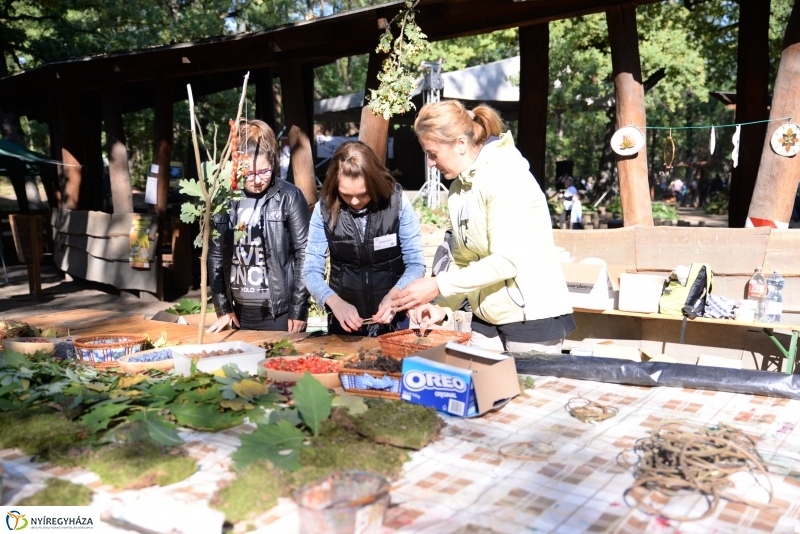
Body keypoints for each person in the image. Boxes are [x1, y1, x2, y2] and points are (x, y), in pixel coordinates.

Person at [392, 101, 575, 353]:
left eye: (433, 154)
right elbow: (462, 258)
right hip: (486, 318)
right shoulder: (459, 188)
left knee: (527, 392)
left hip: (531, 318)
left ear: (460, 144)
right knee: (479, 390)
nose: (431, 163)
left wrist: (438, 285)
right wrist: (442, 305)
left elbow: (506, 262)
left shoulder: (506, 176)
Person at [303, 141, 425, 336]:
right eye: (346, 194)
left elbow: (416, 264)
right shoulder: (323, 209)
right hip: (344, 321)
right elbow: (310, 271)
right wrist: (334, 302)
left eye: (363, 194)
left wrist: (394, 297)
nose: (355, 201)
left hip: (395, 318)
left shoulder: (398, 202)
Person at [206, 119, 311, 334]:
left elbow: (305, 254)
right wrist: (222, 307)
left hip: (280, 314)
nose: (257, 180)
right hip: (238, 312)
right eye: (249, 174)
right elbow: (216, 255)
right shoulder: (224, 199)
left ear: (272, 163)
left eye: (264, 172)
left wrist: (298, 309)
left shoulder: (289, 196)